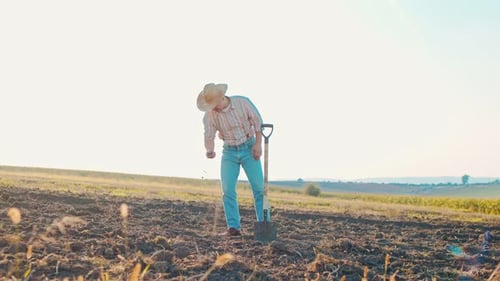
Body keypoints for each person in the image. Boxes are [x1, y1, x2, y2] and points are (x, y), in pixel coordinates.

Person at [197, 83, 265, 237]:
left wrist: (258, 144)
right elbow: (208, 135)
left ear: (221, 97)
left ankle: (264, 225)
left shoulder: (242, 103)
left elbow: (258, 123)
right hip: (229, 152)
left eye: (213, 104)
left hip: (249, 148)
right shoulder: (210, 115)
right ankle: (233, 228)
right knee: (227, 190)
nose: (212, 108)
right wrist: (209, 150)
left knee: (259, 189)